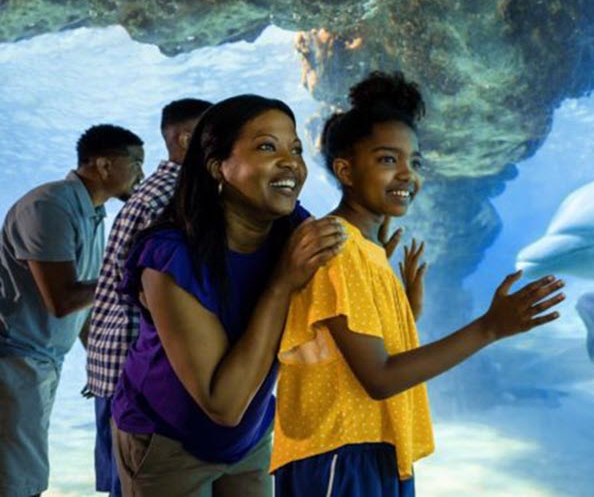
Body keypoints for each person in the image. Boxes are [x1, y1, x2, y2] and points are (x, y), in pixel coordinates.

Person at [270, 71, 566, 496]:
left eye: (415, 162)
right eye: (388, 160)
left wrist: (406, 311)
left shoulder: (366, 249)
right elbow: (380, 378)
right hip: (342, 455)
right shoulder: (340, 247)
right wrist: (490, 327)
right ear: (346, 170)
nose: (408, 175)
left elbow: (350, 352)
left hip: (369, 448)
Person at [109, 94, 346, 495]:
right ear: (219, 167)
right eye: (267, 147)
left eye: (296, 149)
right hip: (168, 441)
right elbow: (222, 404)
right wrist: (281, 284)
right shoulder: (170, 258)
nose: (291, 162)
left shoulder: (290, 227)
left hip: (249, 437)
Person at [0, 124, 144, 497]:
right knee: (16, 478)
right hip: (13, 358)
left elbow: (84, 300)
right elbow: (62, 299)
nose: (142, 175)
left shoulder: (92, 214)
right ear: (104, 165)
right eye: (136, 163)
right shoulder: (49, 206)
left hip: (40, 361)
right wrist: (129, 276)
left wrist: (98, 360)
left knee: (24, 470)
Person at [86, 98, 213, 496]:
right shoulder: (176, 195)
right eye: (217, 134)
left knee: (120, 482)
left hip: (113, 361)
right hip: (134, 364)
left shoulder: (155, 190)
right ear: (187, 139)